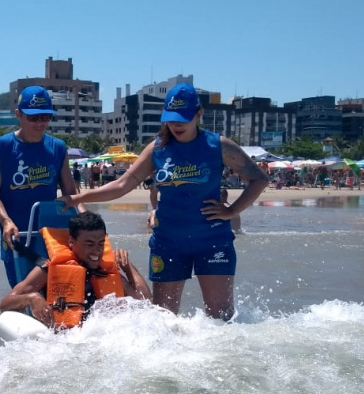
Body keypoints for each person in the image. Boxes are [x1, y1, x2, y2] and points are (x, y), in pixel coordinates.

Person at [61, 83, 268, 320]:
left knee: (220, 318)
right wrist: (79, 198)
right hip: (168, 242)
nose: (176, 125)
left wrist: (232, 211)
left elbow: (259, 179)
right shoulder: (157, 149)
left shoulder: (218, 146)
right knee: (164, 320)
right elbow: (122, 185)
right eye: (171, 119)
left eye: (183, 119)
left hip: (213, 240)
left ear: (198, 115)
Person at [0, 86, 84, 287]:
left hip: (51, 235)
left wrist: (87, 222)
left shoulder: (58, 147)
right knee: (22, 292)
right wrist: (5, 221)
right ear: (18, 115)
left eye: (45, 117)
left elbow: (70, 193)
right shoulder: (2, 146)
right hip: (16, 236)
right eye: (33, 117)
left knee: (57, 295)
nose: (40, 123)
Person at [0, 211, 151, 329]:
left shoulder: (107, 270)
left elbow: (146, 303)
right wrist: (31, 298)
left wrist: (128, 267)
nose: (97, 251)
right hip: (64, 340)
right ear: (71, 242)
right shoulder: (49, 270)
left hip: (103, 339)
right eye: (89, 244)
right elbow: (5, 304)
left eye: (101, 244)